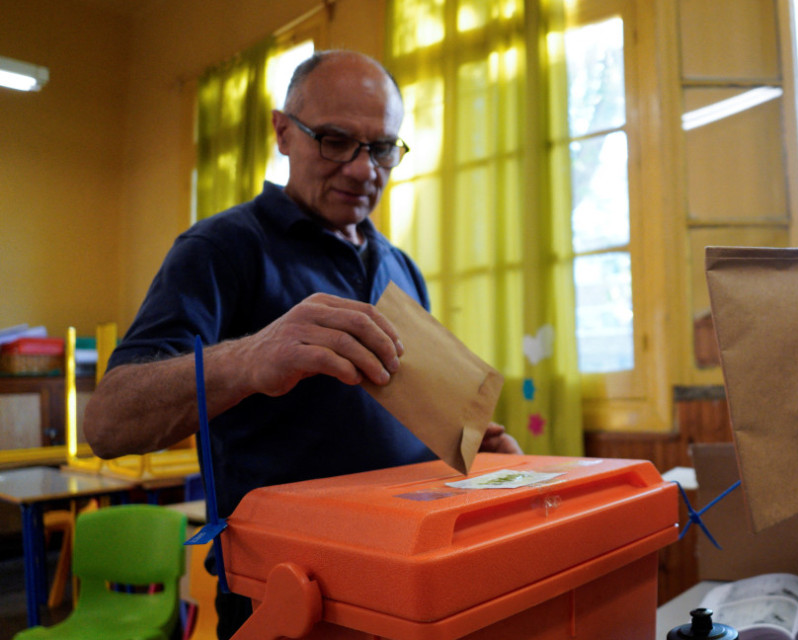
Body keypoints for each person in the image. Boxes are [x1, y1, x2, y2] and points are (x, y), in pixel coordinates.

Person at [82, 50, 519, 638]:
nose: (364, 170)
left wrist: (468, 450)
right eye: (336, 140)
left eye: (382, 148)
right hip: (288, 602)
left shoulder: (401, 267)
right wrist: (248, 357)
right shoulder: (221, 248)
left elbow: (387, 428)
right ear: (283, 133)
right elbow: (107, 424)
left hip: (404, 586)